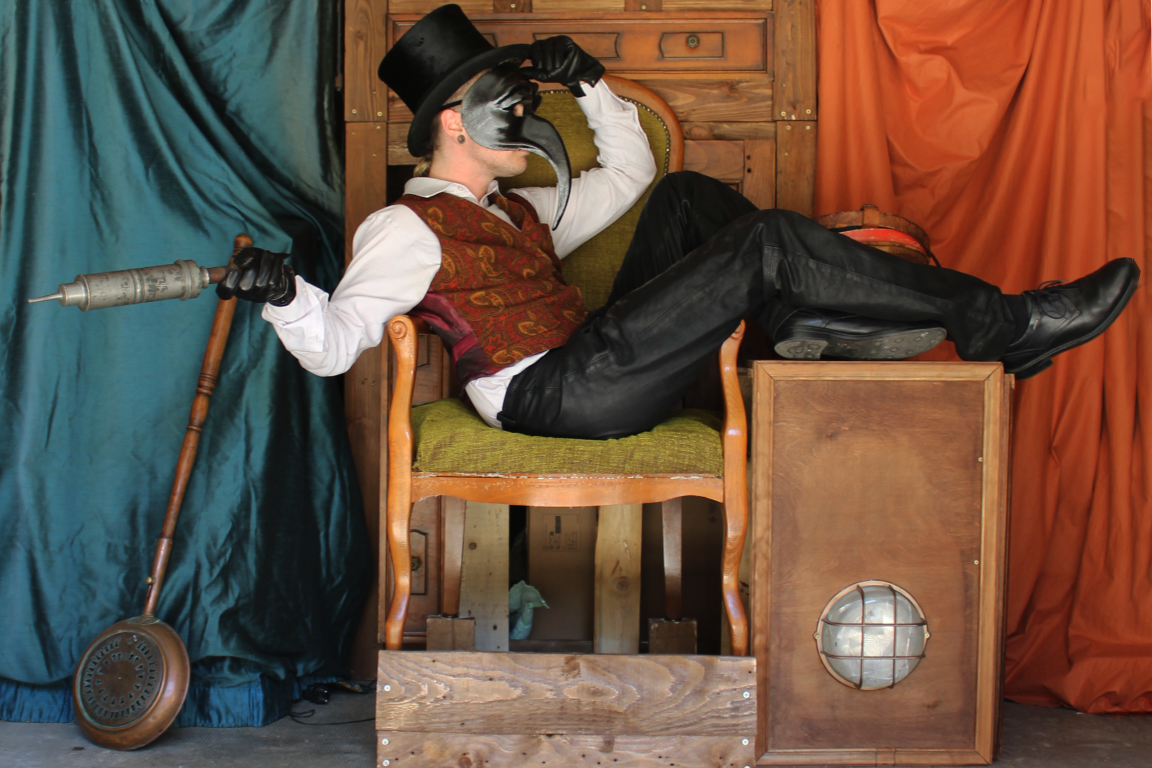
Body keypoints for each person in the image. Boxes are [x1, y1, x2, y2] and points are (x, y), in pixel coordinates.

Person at [218, 4, 1140, 441]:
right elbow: (337, 345)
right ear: (455, 123)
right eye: (509, 98)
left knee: (686, 198)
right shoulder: (404, 230)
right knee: (766, 241)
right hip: (556, 397)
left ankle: (800, 320)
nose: (528, 109)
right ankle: (1005, 323)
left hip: (593, 358)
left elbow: (632, 172)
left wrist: (589, 82)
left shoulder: (521, 212)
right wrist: (285, 295)